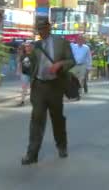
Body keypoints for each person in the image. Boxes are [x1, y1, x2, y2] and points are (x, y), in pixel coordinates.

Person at [22, 18, 75, 165]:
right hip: (39, 86)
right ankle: (32, 154)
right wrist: (27, 56)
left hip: (55, 86)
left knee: (57, 118)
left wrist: (60, 64)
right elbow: (29, 66)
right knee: (36, 119)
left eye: (43, 28)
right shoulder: (36, 45)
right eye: (39, 29)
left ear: (49, 28)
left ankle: (62, 145)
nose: (41, 32)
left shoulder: (61, 42)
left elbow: (71, 61)